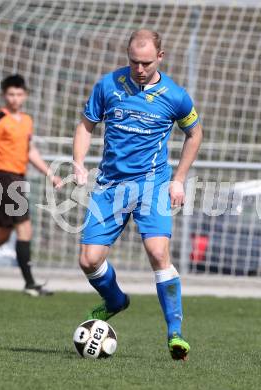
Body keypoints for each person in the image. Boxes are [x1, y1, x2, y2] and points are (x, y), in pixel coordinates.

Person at [73, 30, 203, 360]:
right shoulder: (108, 85)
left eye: (146, 62)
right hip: (111, 185)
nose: (139, 68)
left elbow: (195, 133)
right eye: (134, 61)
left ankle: (175, 333)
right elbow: (86, 125)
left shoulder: (175, 96)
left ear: (161, 56)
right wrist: (78, 164)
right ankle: (116, 300)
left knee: (158, 252)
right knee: (88, 260)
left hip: (152, 185)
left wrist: (179, 179)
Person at [0, 74, 61, 296]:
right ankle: (30, 284)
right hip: (5, 177)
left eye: (18, 94)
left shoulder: (26, 120)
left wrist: (49, 174)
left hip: (18, 177)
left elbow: (30, 152)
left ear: (25, 95)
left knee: (3, 234)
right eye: (10, 94)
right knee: (25, 228)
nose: (14, 98)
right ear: (4, 95)